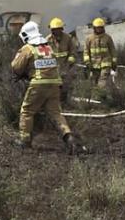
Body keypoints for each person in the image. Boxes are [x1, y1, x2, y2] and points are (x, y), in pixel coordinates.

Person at [11, 21, 83, 153]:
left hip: (38, 84)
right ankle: (69, 137)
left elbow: (16, 67)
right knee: (55, 113)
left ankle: (24, 141)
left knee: (27, 111)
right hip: (55, 83)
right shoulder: (48, 47)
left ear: (26, 35)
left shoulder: (28, 48)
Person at [46, 17, 77, 103]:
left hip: (66, 65)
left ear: (62, 29)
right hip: (53, 67)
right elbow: (44, 54)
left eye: (58, 29)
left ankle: (64, 102)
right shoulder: (48, 40)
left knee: (66, 85)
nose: (57, 31)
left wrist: (71, 58)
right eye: (55, 29)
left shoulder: (68, 38)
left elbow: (73, 50)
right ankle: (55, 103)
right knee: (54, 86)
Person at [84, 17, 117, 87]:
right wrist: (87, 62)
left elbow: (113, 50)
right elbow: (86, 52)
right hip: (93, 65)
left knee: (102, 82)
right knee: (93, 83)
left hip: (106, 64)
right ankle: (97, 97)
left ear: (103, 28)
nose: (99, 29)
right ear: (94, 28)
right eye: (97, 27)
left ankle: (100, 94)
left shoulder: (107, 38)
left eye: (100, 27)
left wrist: (114, 62)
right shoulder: (89, 39)